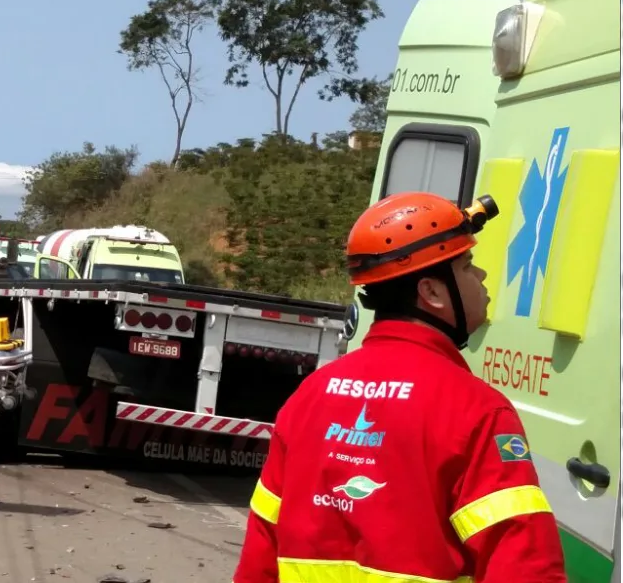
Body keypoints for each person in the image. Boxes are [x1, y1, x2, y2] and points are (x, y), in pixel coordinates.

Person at [232, 192, 566, 583]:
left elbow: (261, 551)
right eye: (468, 265)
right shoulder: (477, 411)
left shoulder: (311, 395)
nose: (481, 277)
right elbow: (524, 566)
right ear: (432, 293)